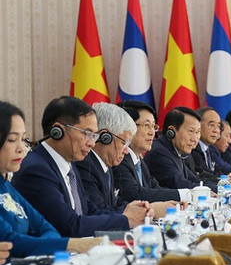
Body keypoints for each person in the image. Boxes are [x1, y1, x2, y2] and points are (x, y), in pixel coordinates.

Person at [13, 96, 150, 237]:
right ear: (58, 132)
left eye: (94, 136)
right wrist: (126, 219)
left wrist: (129, 213)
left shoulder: (69, 165)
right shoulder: (36, 170)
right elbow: (70, 226)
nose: (92, 143)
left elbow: (90, 211)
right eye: (87, 134)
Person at [0, 101, 102, 256]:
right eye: (12, 140)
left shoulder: (7, 187)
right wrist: (73, 245)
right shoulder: (35, 169)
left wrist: (45, 245)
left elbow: (47, 229)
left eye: (24, 139)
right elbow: (11, 241)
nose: (21, 148)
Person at [115, 101, 185, 203]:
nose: (152, 132)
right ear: (128, 128)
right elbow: (135, 194)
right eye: (146, 125)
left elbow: (155, 188)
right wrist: (184, 195)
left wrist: (184, 196)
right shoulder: (119, 159)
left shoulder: (139, 160)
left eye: (153, 126)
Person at [74, 103, 134, 212]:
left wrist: (141, 208)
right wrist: (132, 214)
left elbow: (114, 202)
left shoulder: (105, 164)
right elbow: (97, 210)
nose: (126, 151)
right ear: (105, 137)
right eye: (123, 142)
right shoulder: (85, 165)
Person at [145, 107, 215, 191]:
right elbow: (181, 185)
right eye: (191, 131)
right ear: (171, 132)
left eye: (197, 132)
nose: (195, 139)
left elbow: (195, 180)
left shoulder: (176, 151)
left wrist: (222, 187)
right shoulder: (159, 153)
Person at [189, 107, 222, 182]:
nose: (216, 130)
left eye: (218, 126)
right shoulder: (192, 148)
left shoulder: (210, 149)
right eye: (211, 125)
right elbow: (201, 175)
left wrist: (226, 178)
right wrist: (221, 181)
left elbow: (216, 171)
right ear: (198, 125)